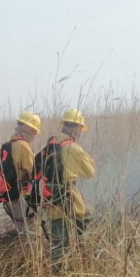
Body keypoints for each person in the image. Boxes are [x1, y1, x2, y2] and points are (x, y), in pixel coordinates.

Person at [38, 108, 96, 265]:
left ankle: (72, 260)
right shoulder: (72, 147)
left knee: (59, 240)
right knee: (65, 242)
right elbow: (90, 173)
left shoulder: (53, 142)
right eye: (80, 128)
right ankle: (69, 267)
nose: (81, 132)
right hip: (68, 197)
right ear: (75, 128)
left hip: (51, 198)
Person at [0, 112, 42, 236]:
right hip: (20, 198)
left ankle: (1, 247)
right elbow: (34, 171)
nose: (34, 134)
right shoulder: (22, 146)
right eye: (34, 131)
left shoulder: (8, 145)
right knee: (32, 233)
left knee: (22, 231)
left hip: (10, 198)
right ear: (28, 129)